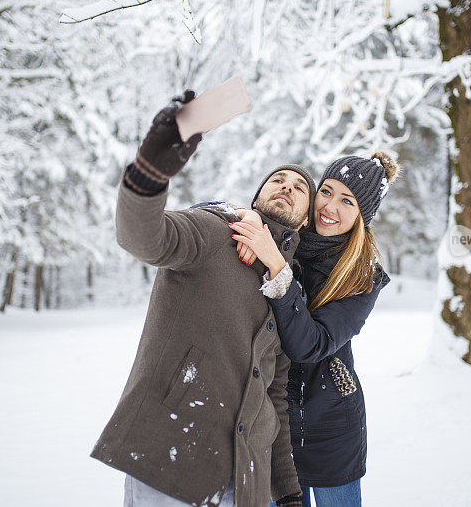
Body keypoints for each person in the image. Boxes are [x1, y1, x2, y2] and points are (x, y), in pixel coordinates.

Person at [91, 90, 316, 507]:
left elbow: (276, 395)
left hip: (245, 481)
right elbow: (145, 238)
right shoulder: (215, 231)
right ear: (256, 199)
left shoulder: (288, 290)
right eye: (277, 180)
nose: (287, 186)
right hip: (171, 455)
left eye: (299, 187)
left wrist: (285, 489)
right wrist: (148, 175)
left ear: (305, 219)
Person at [228, 152, 399, 506]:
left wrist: (276, 265)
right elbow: (210, 212)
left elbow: (310, 345)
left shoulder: (362, 276)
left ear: (361, 216)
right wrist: (246, 216)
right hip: (274, 422)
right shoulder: (291, 235)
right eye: (327, 191)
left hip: (332, 428)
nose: (329, 207)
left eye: (347, 201)